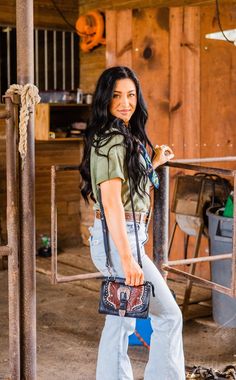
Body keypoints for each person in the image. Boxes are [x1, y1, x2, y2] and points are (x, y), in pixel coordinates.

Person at [79, 66, 185, 380]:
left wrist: (154, 162)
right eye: (116, 95)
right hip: (119, 239)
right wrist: (128, 259)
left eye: (131, 95)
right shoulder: (113, 140)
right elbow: (111, 202)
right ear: (104, 99)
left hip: (120, 236)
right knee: (168, 315)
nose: (125, 102)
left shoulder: (119, 136)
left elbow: (129, 189)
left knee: (120, 321)